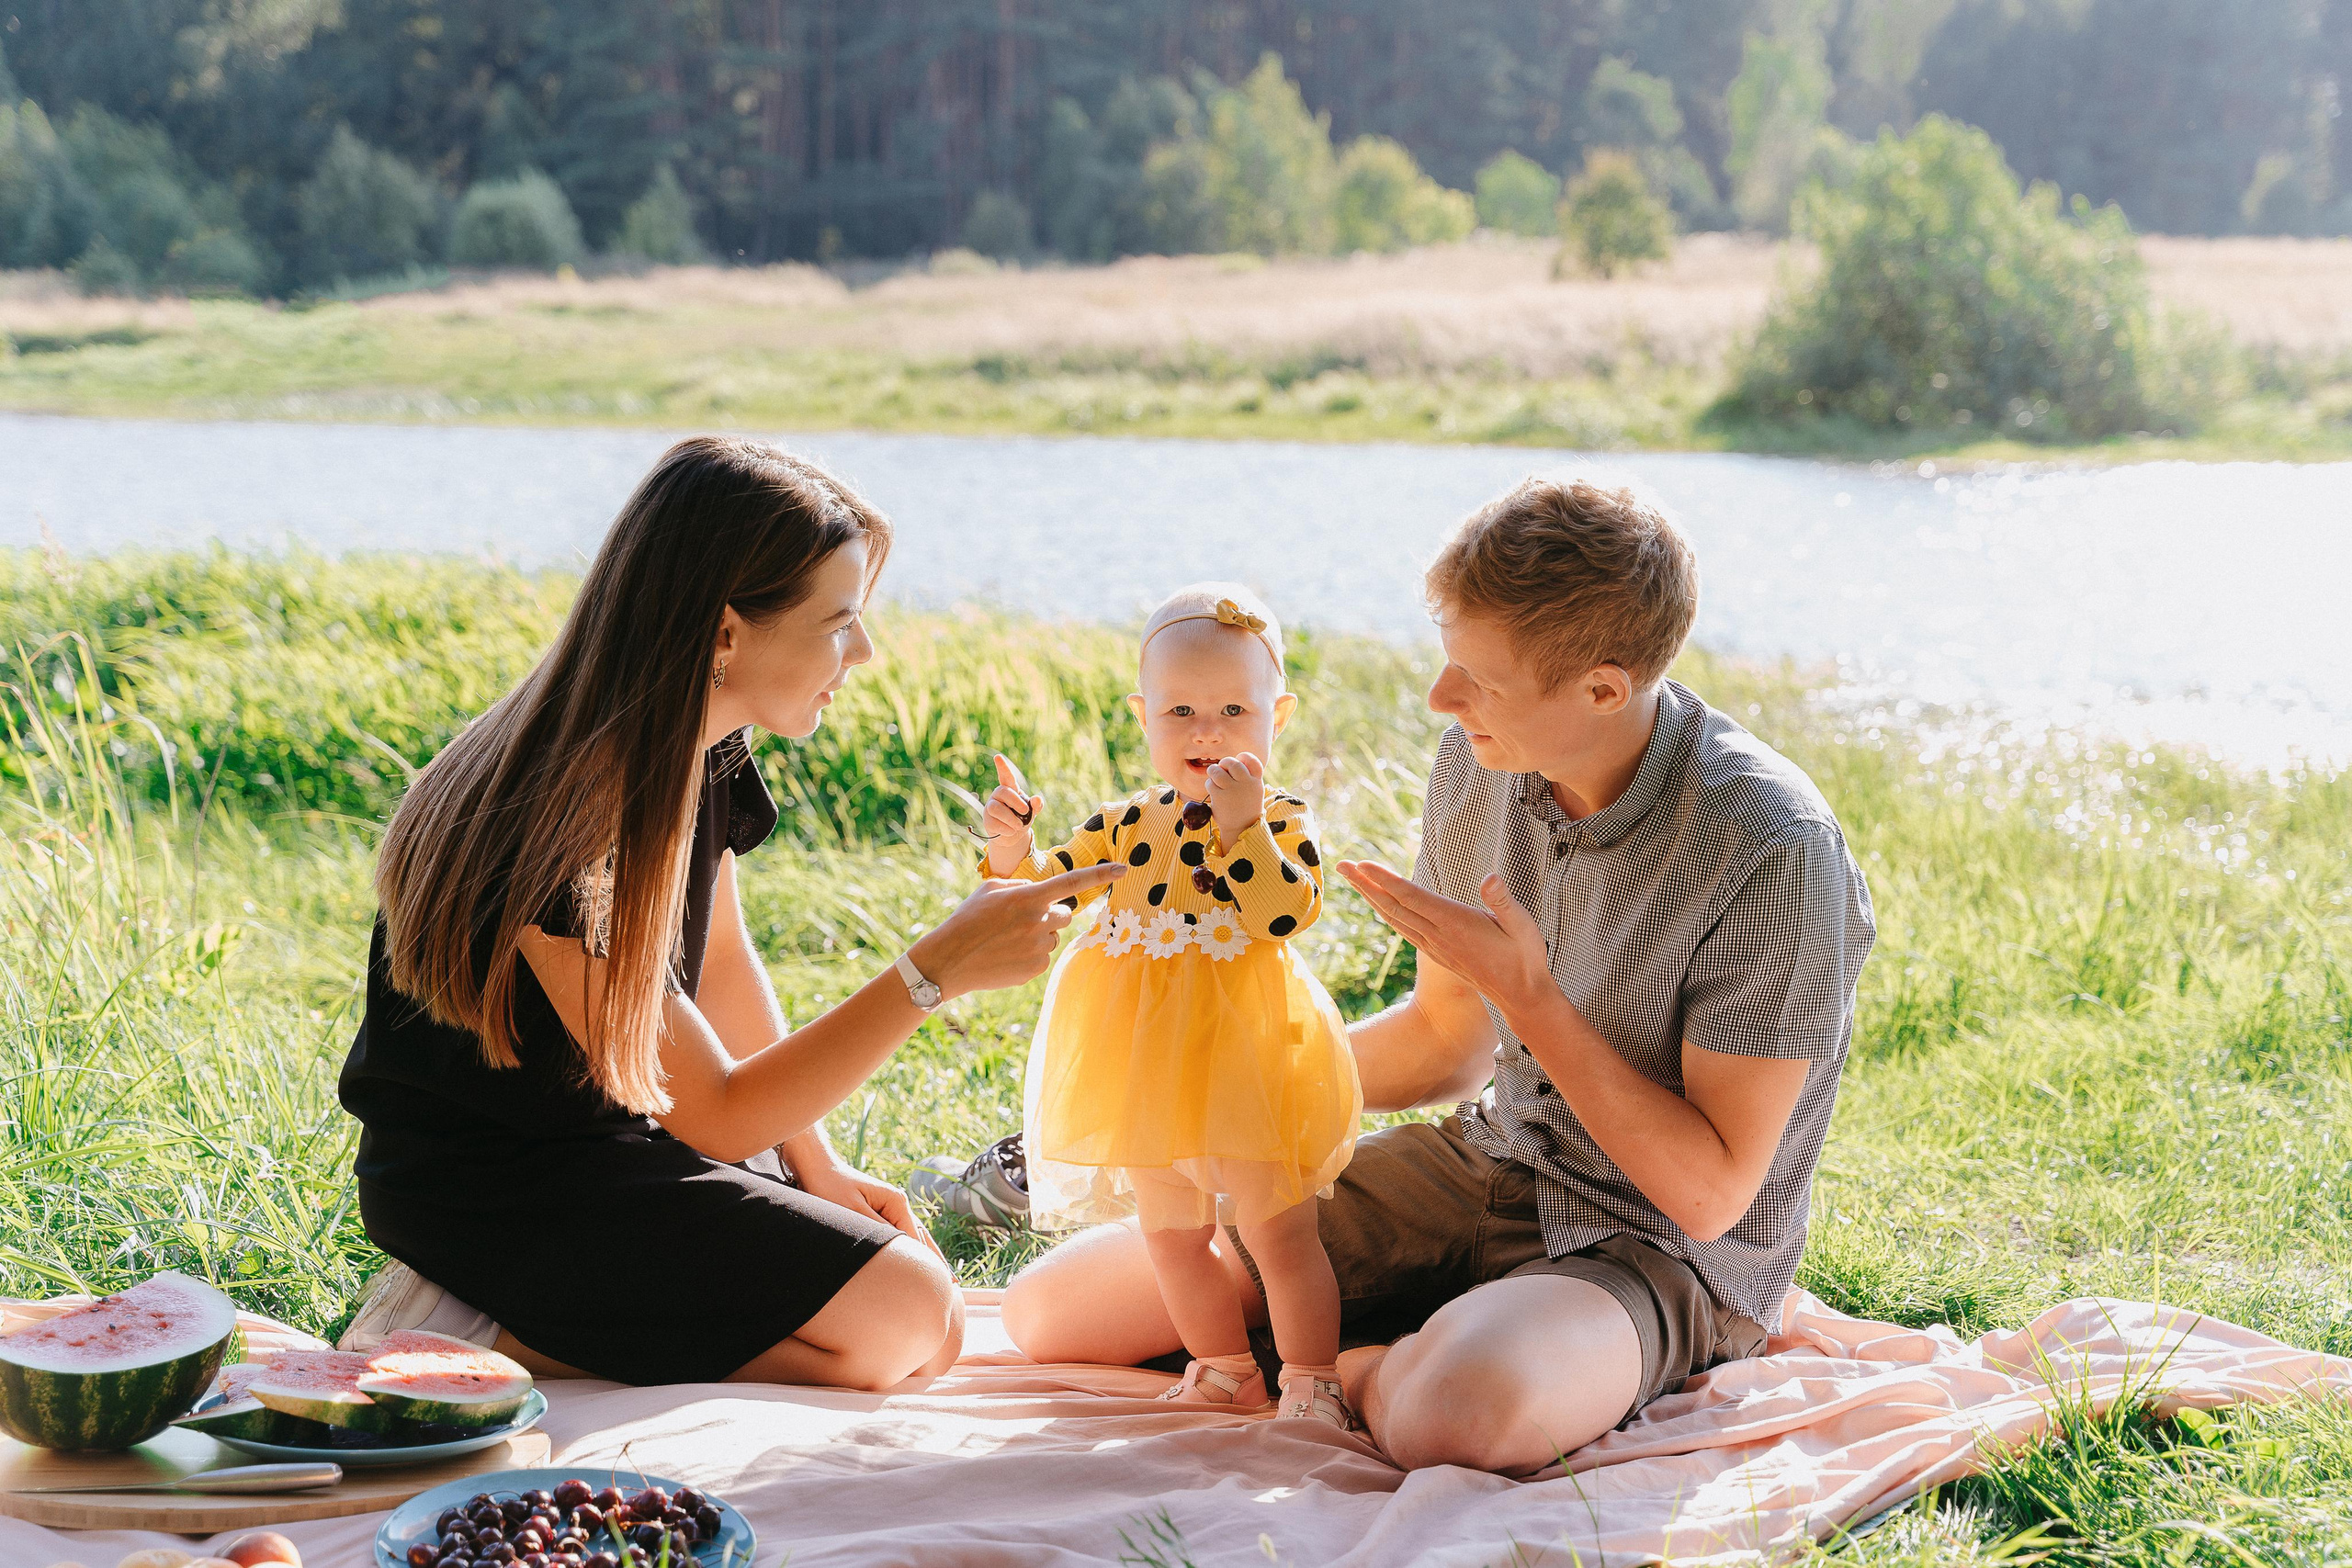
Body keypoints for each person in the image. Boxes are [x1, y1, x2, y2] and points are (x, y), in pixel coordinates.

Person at [999, 478, 1875, 1473]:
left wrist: (1533, 1002)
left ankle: (1378, 1367)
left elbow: (1709, 1194)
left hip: (1660, 1243)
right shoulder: (1478, 760)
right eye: (1447, 660)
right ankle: (1423, 1346)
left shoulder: (1769, 845)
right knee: (1054, 1311)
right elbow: (1444, 1044)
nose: (1440, 700)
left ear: (1602, 689)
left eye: (1479, 680)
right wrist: (1211, 1102)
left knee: (1456, 1414)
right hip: (1489, 1163)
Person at [338, 436, 1120, 1391]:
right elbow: (714, 1112)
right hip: (497, 1194)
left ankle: (547, 1329)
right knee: (909, 1316)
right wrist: (933, 973)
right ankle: (466, 1329)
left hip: (608, 1145)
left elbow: (719, 969)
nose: (863, 652)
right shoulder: (553, 823)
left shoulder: (695, 747)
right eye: (839, 622)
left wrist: (815, 1166)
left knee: (927, 1321)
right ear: (723, 633)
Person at [982, 585, 1362, 1427]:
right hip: (1148, 1067)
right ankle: (1226, 1368)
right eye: (1181, 710)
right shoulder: (1124, 824)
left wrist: (1243, 829)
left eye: (1234, 710)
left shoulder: (1281, 818)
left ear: (1278, 716)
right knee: (1171, 1235)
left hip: (1248, 1058)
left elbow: (1283, 913)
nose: (1207, 732)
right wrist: (1012, 849)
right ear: (1143, 714)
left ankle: (1311, 1379)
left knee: (1277, 1231)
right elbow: (1047, 893)